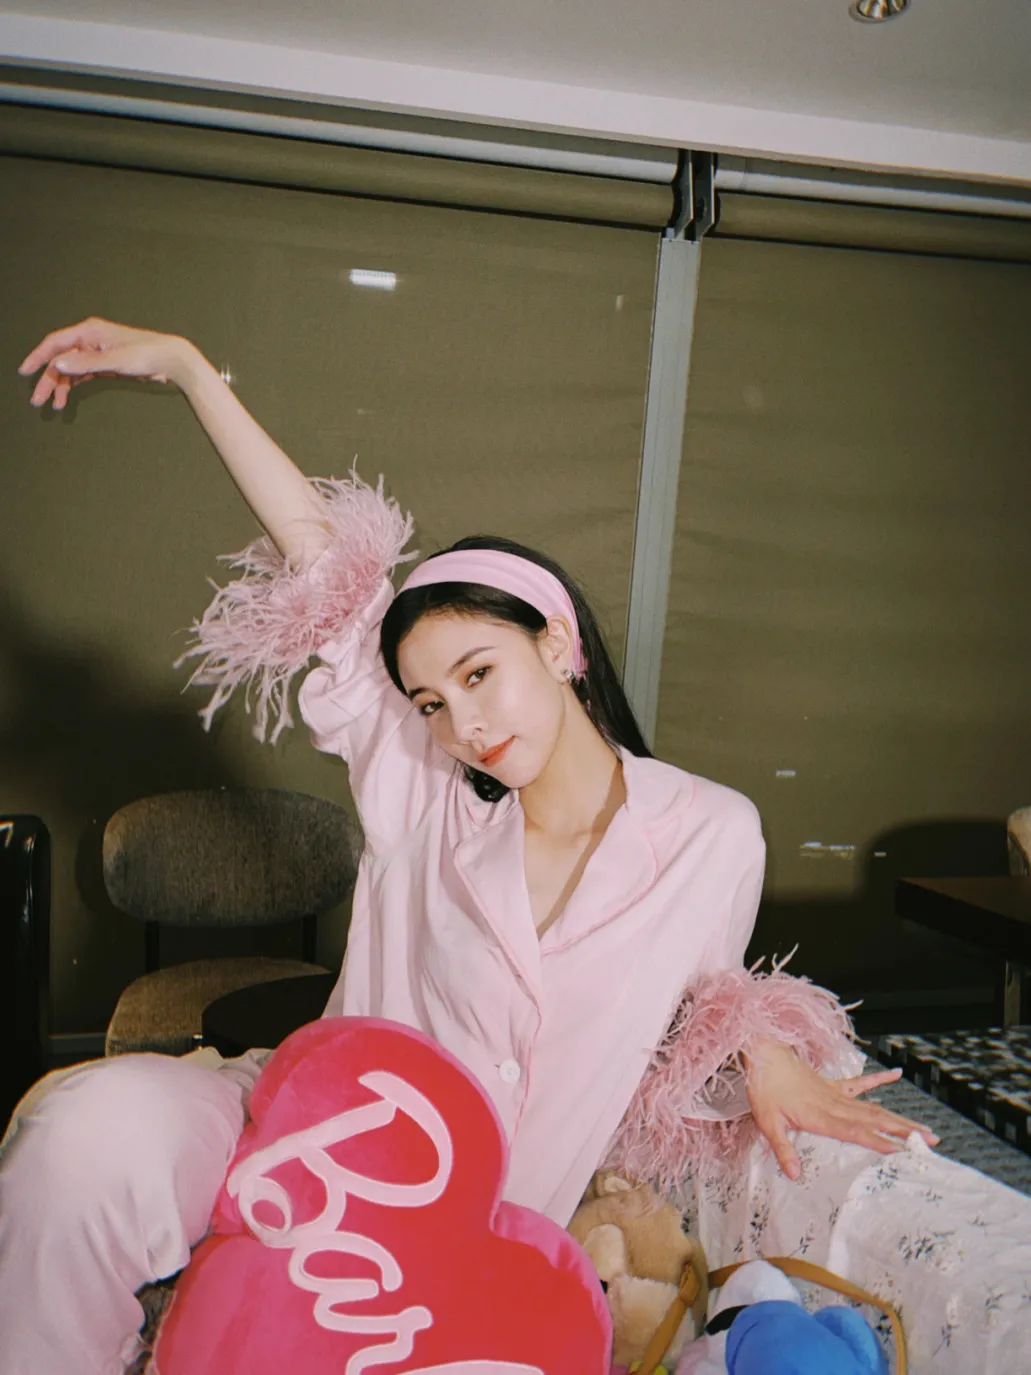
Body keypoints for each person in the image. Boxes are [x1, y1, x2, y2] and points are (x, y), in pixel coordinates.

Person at [2, 319, 940, 1374]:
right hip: (302, 1125)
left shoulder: (710, 831)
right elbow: (326, 562)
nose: (462, 722)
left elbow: (688, 1012)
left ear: (557, 642)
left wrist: (761, 1046)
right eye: (429, 700)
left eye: (479, 672)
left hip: (467, 1246)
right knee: (84, 1132)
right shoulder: (425, 792)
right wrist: (184, 368)